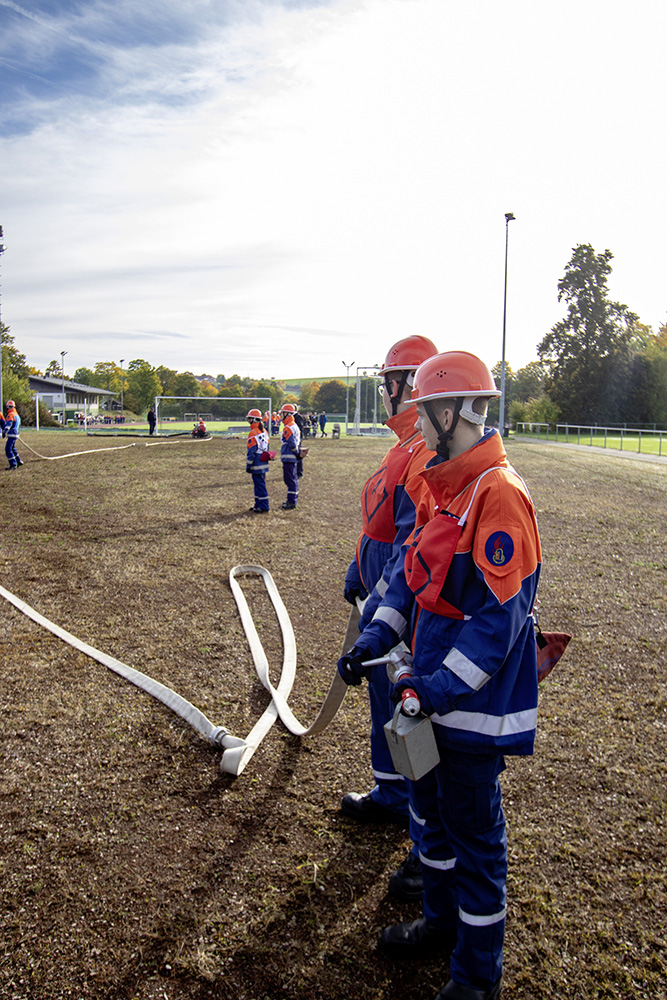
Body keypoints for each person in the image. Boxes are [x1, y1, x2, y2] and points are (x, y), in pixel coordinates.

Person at [338, 351, 542, 1000]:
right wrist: (374, 638)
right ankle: (439, 924)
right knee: (428, 818)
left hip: (469, 717)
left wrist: (433, 690)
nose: (414, 425)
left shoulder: (498, 494)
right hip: (425, 702)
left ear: (447, 412)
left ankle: (475, 979)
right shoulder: (443, 485)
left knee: (474, 840)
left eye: (422, 413)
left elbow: (495, 624)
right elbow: (407, 577)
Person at [340, 335, 439, 900]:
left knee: (411, 708)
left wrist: (379, 605)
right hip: (380, 592)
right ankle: (390, 796)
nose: (384, 393)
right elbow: (378, 525)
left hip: (405, 607)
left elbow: (409, 546)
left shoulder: (423, 452)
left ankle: (429, 842)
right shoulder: (402, 448)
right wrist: (356, 568)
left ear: (412, 385)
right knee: (382, 697)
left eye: (389, 383)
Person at [246, 408, 270, 513]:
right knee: (259, 483)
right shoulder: (264, 431)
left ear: (253, 420)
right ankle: (258, 504)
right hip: (264, 460)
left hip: (256, 461)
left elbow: (251, 451)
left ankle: (264, 505)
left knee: (259, 484)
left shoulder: (253, 433)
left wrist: (248, 465)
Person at [279, 403, 301, 510]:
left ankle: (292, 501)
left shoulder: (288, 427)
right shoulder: (294, 426)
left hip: (289, 456)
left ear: (287, 413)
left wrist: (296, 452)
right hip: (291, 457)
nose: (281, 415)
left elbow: (291, 443)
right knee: (292, 478)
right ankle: (292, 499)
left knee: (290, 479)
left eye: (283, 413)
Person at [3, 400, 23, 470]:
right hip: (16, 433)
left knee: (8, 449)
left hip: (12, 434)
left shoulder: (10, 415)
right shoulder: (16, 415)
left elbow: (9, 424)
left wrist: (4, 432)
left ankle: (13, 464)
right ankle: (18, 460)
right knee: (12, 448)